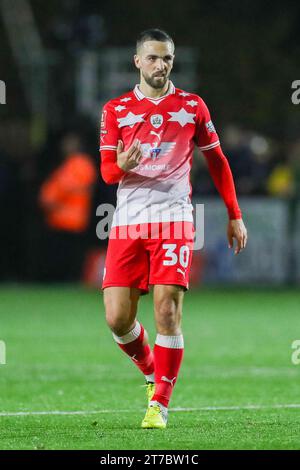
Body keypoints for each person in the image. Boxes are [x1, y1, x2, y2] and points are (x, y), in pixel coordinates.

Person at [99, 29, 247, 429]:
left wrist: (234, 213)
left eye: (166, 58)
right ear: (137, 61)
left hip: (175, 218)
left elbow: (217, 160)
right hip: (128, 223)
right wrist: (124, 166)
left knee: (167, 310)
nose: (160, 65)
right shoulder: (116, 110)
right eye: (152, 58)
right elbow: (108, 173)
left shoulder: (192, 106)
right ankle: (151, 373)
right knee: (117, 319)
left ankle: (160, 403)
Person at [39, 132, 96, 281]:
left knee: (70, 256)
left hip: (73, 220)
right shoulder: (67, 164)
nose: (66, 146)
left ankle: (71, 279)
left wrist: (52, 197)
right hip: (59, 220)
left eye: (70, 143)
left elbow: (65, 188)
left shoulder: (82, 164)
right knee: (58, 255)